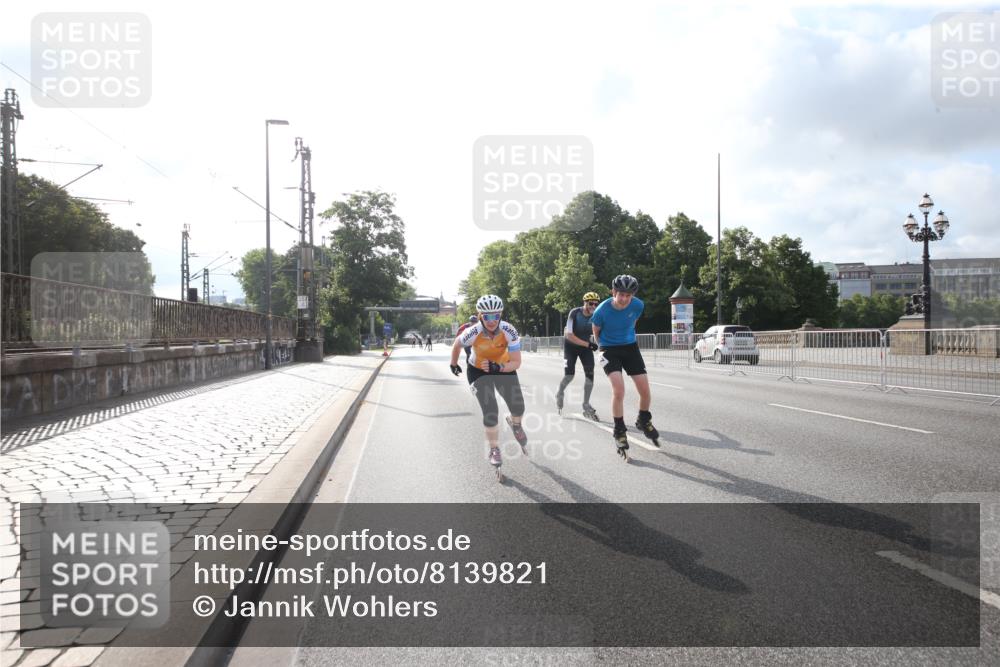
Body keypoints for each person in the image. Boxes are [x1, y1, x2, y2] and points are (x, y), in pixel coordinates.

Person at [449, 294, 527, 480]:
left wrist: (498, 367)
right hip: (478, 371)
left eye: (496, 316)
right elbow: (457, 344)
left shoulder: (509, 330)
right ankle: (494, 449)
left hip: (503, 367)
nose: (492, 321)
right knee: (490, 410)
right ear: (480, 315)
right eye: (487, 316)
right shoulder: (472, 332)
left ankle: (515, 425)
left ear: (500, 315)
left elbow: (516, 362)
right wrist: (453, 363)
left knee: (518, 407)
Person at [590, 274, 659, 461]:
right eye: (621, 295)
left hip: (630, 347)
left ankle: (643, 420)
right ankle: (619, 430)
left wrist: (627, 337)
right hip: (608, 349)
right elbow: (596, 331)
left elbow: (632, 323)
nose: (624, 299)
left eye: (628, 296)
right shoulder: (602, 310)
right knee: (619, 390)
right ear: (613, 292)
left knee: (645, 390)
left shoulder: (638, 305)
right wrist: (600, 350)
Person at [555, 291, 601, 420]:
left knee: (590, 375)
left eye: (596, 304)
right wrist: (588, 344)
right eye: (591, 303)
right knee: (569, 375)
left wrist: (602, 346)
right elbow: (569, 335)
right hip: (571, 346)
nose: (593, 306)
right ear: (584, 303)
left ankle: (586, 404)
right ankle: (560, 392)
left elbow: (601, 331)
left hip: (585, 347)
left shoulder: (597, 314)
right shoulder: (574, 313)